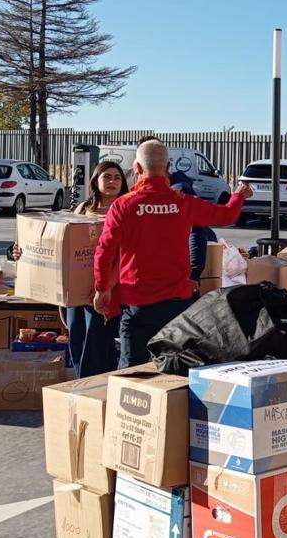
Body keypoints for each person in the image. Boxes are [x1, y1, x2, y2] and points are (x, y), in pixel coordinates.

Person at [94, 140, 251, 368]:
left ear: (137, 168)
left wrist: (101, 288)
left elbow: (104, 251)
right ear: (168, 167)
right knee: (175, 369)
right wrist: (238, 195)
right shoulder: (183, 203)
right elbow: (227, 216)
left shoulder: (123, 206)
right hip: (178, 303)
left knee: (131, 371)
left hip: (137, 304)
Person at [11, 161, 130, 377]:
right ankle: (79, 381)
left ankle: (97, 387)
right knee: (77, 336)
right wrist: (22, 250)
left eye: (117, 177)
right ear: (96, 180)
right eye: (107, 177)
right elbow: (57, 243)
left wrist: (105, 287)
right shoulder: (82, 209)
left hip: (106, 288)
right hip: (76, 290)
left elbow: (123, 257)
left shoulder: (125, 210)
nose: (112, 181)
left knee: (97, 342)